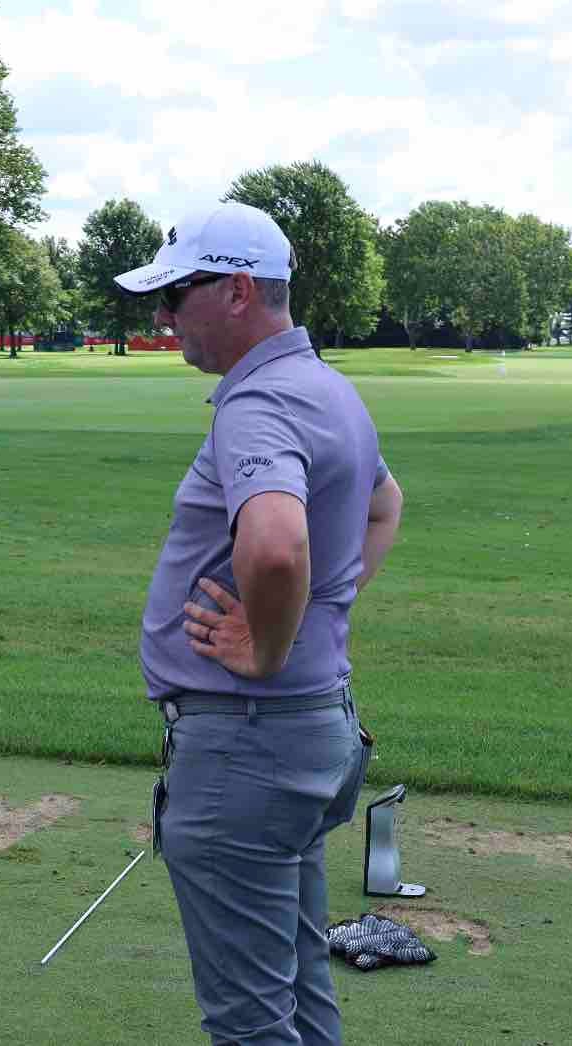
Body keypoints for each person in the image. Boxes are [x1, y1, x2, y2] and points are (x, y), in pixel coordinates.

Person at [114, 203, 405, 1045]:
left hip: (249, 747)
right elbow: (384, 507)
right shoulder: (325, 387)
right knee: (302, 994)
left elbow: (276, 549)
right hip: (309, 737)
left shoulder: (259, 403)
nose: (163, 317)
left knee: (250, 1024)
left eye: (176, 294)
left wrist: (268, 642)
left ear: (238, 290)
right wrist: (314, 615)